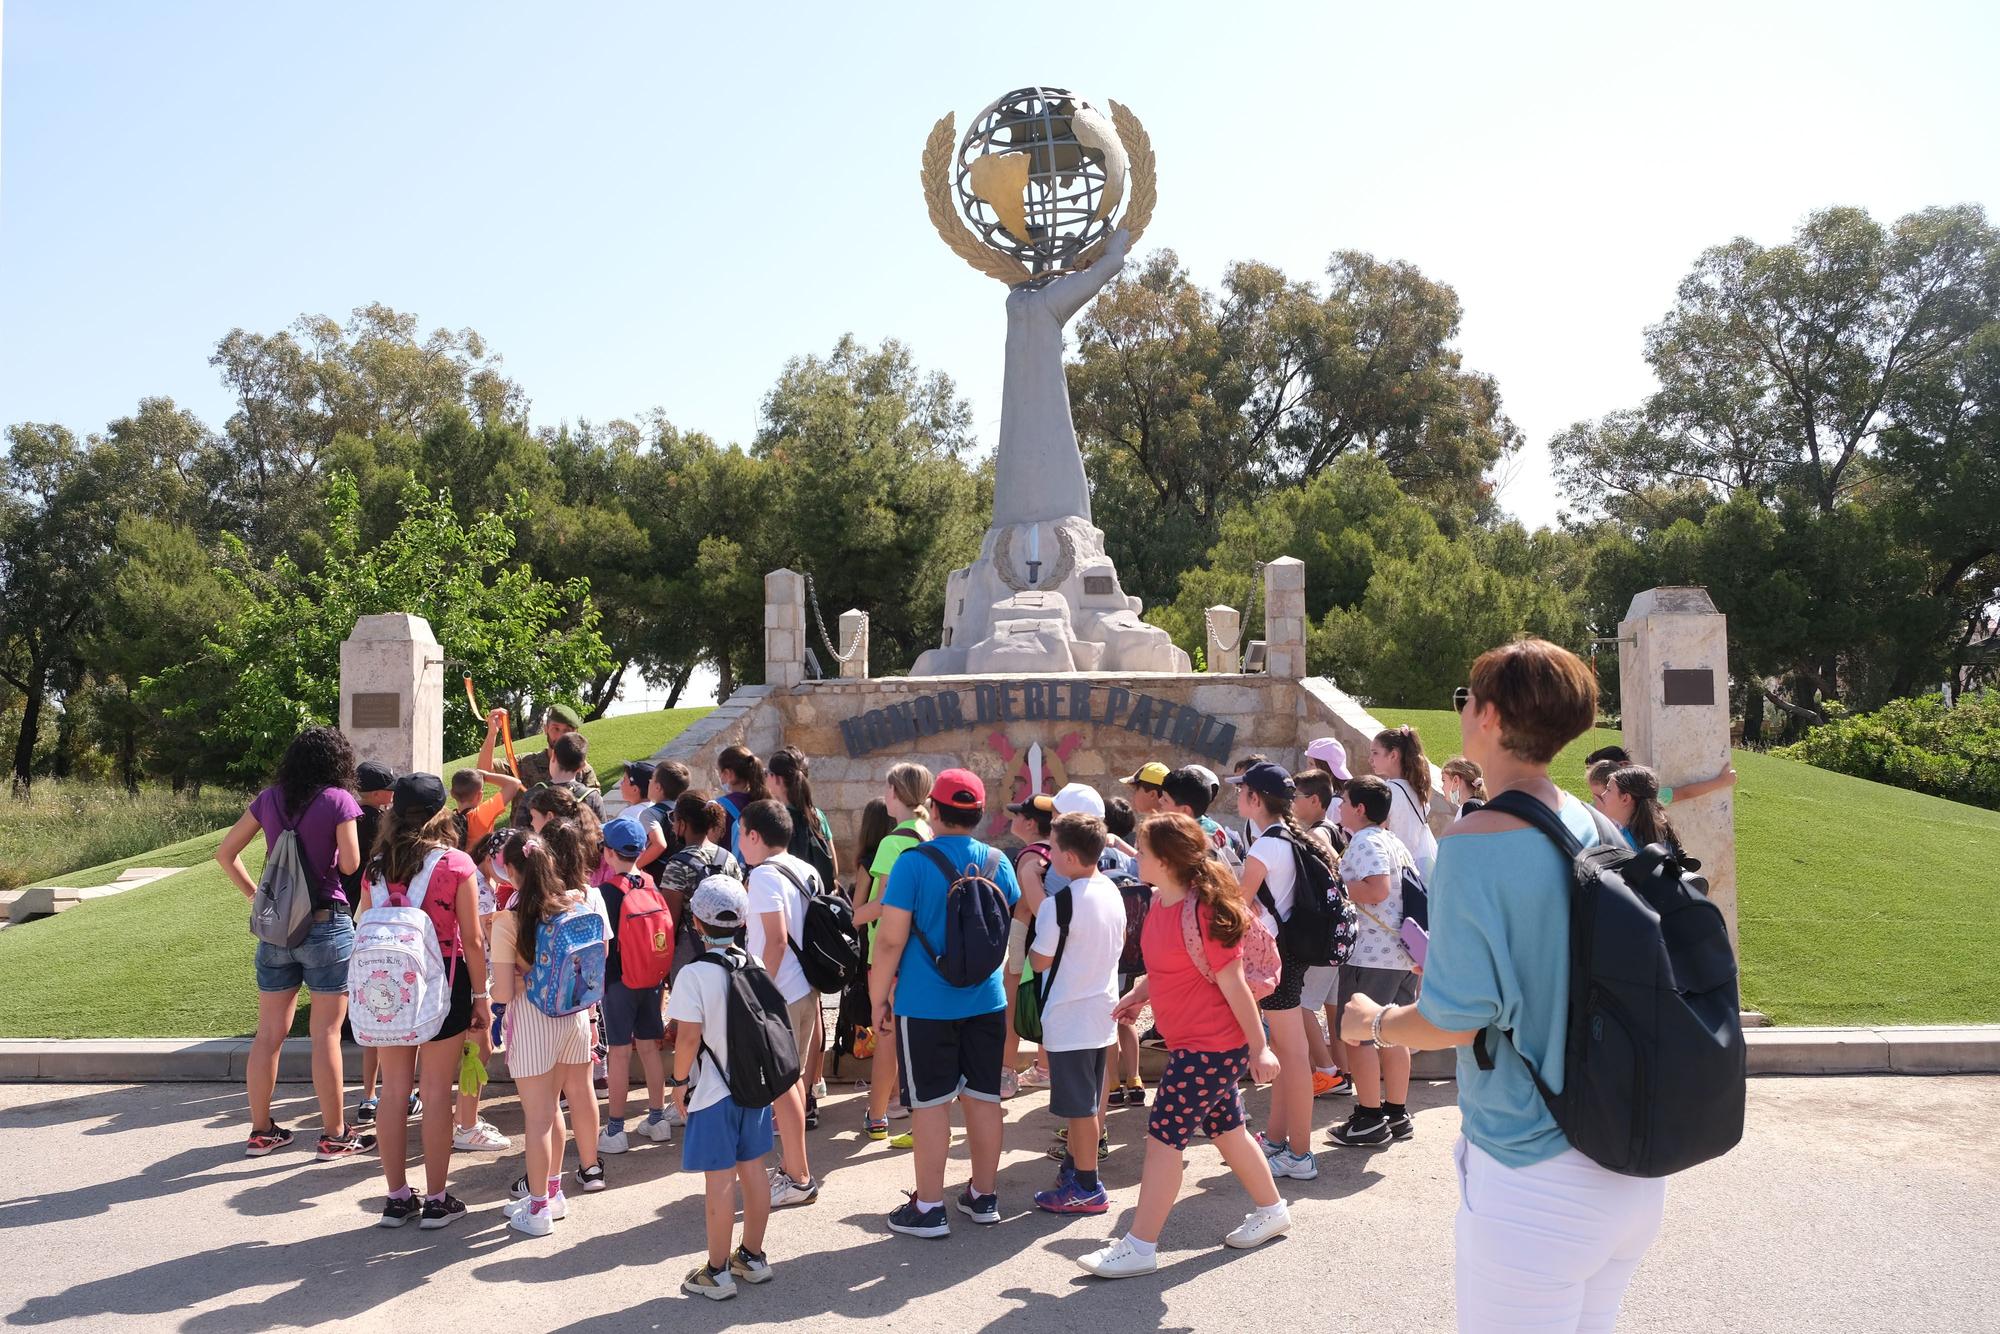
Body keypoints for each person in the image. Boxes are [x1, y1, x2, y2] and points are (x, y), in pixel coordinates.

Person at [1343, 639, 1663, 1331]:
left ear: (1486, 715)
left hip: (1535, 1169)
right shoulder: (1590, 819)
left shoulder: (1477, 839)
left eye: (1466, 700)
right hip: (1626, 1153)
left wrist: (1370, 1022)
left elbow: (1454, 1020)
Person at [1076, 814, 1287, 1278]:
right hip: (1197, 1044)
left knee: (1163, 1139)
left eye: (1143, 849)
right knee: (1228, 1130)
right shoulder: (1159, 902)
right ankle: (1272, 1210)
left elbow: (1233, 985)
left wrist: (1260, 1049)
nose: (1136, 854)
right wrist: (1139, 994)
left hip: (1212, 1047)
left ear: (1166, 860)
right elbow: (1174, 967)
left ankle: (1140, 1245)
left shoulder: (1204, 911)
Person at [870, 768, 1023, 1239]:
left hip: (925, 1003)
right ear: (977, 814)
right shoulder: (1000, 861)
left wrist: (878, 999)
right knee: (983, 1097)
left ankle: (930, 1207)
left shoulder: (913, 864)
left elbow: (891, 940)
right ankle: (983, 1195)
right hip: (986, 999)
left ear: (933, 810)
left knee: (931, 1105)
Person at [215, 725, 364, 1160]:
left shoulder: (269, 798)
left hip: (277, 926)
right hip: (326, 923)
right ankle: (334, 1134)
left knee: (269, 1034)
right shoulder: (339, 800)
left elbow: (225, 853)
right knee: (327, 1034)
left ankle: (261, 1131)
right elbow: (351, 864)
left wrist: (254, 897)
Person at [365, 773, 491, 1229]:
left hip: (389, 987)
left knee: (394, 1091)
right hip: (446, 983)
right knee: (438, 1092)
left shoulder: (377, 865)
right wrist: (482, 997)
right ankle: (437, 1199)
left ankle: (397, 1198)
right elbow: (473, 940)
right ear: (441, 813)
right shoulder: (456, 864)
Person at [668, 876, 780, 1301]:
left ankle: (716, 1271)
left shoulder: (693, 975)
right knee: (753, 1169)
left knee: (719, 1182)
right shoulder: (755, 964)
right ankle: (752, 1257)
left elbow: (688, 1039)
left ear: (697, 921)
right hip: (754, 1088)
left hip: (714, 1093)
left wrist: (679, 1084)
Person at [490, 831, 597, 1237]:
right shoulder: (575, 904)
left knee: (537, 1118)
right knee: (555, 1108)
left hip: (534, 1023)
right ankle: (551, 1193)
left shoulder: (508, 921)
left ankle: (537, 1210)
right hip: (574, 1016)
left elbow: (501, 991)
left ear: (513, 871)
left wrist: (524, 980)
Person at [1233, 761, 1329, 1182]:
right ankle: (1276, 1140)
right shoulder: (1291, 837)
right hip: (1291, 952)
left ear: (1256, 799)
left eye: (1242, 791)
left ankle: (1301, 1154)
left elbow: (1236, 905)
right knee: (1291, 1056)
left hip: (1275, 957)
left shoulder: (1263, 847)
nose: (1237, 796)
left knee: (1292, 1057)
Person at [1031, 812, 1127, 1215]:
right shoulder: (1112, 892)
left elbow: (1039, 961)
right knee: (1085, 1102)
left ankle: (1087, 1185)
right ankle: (1076, 1170)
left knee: (1079, 1108)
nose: (1047, 856)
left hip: (1069, 1016)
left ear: (1069, 856)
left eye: (1052, 849)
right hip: (1101, 1011)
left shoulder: (1058, 905)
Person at [1328, 775, 1421, 1148]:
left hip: (1370, 954)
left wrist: (1334, 886)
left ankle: (1368, 1118)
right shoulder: (1393, 841)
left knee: (1358, 1035)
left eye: (1345, 801)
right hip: (1400, 953)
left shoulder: (1365, 841)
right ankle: (1396, 1113)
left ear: (1360, 808)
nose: (1340, 807)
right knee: (1394, 1032)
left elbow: (1377, 889)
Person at [737, 799, 822, 1208]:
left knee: (784, 1086)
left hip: (781, 993)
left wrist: (757, 989)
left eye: (741, 834)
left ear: (755, 836)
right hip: (805, 990)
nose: (739, 843)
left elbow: (776, 939)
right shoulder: (805, 869)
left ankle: (797, 1175)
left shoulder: (765, 877)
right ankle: (795, 1169)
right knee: (793, 1082)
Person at [856, 763, 933, 1140]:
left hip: (888, 950)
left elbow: (884, 902)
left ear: (896, 792)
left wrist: (851, 916)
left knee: (884, 1032)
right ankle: (911, 1108)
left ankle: (877, 1116)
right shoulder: (926, 833)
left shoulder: (892, 841)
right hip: (918, 948)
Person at [596, 817, 673, 1156]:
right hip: (652, 980)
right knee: (649, 1049)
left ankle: (615, 1129)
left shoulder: (607, 892)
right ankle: (657, 1120)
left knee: (619, 1053)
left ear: (608, 853)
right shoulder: (650, 883)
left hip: (619, 982)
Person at [766, 745, 838, 1104]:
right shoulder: (816, 815)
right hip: (818, 925)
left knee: (789, 1018)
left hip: (789, 924)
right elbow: (833, 870)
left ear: (777, 779)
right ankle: (812, 1086)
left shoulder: (778, 819)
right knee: (815, 1011)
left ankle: (796, 1096)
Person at [1291, 767, 1354, 1100]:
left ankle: (1327, 1072)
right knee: (1330, 1007)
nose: (1291, 802)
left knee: (1301, 1006)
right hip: (1338, 933)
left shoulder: (1317, 834)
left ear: (1314, 800)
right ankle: (1342, 1072)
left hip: (1323, 934)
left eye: (1296, 796)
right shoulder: (1333, 829)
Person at [346, 760, 402, 1128]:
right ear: (380, 792)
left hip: (354, 917)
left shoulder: (348, 817)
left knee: (372, 1009)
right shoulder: (381, 824)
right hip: (383, 923)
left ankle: (368, 1096)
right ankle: (400, 1092)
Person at [661, 792, 742, 991]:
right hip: (728, 945)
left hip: (689, 948)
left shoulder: (677, 865)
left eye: (674, 819)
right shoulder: (728, 858)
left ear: (683, 824)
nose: (672, 825)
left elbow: (669, 920)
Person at [1102, 795, 1146, 1106]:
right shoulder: (1127, 859)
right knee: (1127, 1018)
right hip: (1131, 951)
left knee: (1107, 1020)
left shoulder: (1091, 853)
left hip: (1107, 953)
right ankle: (1135, 1077)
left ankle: (1113, 1085)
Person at [490, 705, 600, 826]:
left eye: (567, 731)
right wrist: (492, 734)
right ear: (546, 728)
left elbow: (593, 818)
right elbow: (486, 769)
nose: (560, 736)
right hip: (528, 841)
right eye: (556, 729)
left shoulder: (584, 771)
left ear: (575, 734)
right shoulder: (526, 762)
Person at [1371, 724, 1439, 877]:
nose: (1370, 759)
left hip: (1399, 867)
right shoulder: (1415, 787)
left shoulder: (1389, 790)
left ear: (1393, 755)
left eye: (1375, 753)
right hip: (1420, 864)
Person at [1160, 766, 1244, 872]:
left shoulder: (1194, 841)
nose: (1160, 801)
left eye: (1165, 800)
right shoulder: (1213, 828)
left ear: (1185, 810)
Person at [1601, 765, 1679, 852]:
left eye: (1608, 790)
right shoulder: (1658, 830)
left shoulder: (1623, 845)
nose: (1602, 795)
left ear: (1625, 798)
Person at [451, 766, 520, 856]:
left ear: (452, 793)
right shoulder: (483, 814)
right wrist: (486, 775)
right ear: (480, 795)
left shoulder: (448, 819)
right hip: (483, 866)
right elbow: (515, 784)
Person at [715, 744, 768, 861]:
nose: (720, 777)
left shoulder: (719, 806)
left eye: (721, 773)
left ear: (729, 774)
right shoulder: (766, 801)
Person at [619, 761, 671, 873]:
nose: (621, 784)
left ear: (635, 789)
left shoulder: (629, 815)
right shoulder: (657, 807)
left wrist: (635, 867)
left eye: (624, 780)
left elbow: (659, 844)